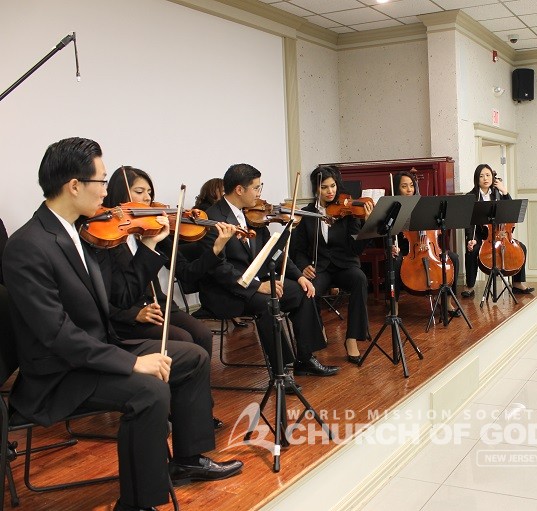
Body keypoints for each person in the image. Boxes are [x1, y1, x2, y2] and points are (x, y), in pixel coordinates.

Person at [1, 137, 242, 511]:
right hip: (61, 372)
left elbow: (121, 293)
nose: (105, 191)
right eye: (100, 181)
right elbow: (56, 334)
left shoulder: (82, 231)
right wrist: (132, 363)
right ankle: (137, 504)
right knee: (150, 392)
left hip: (99, 349)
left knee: (193, 356)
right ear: (74, 185)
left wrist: (150, 246)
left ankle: (187, 461)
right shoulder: (28, 246)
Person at [102, 166, 239, 429]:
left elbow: (187, 273)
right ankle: (175, 409)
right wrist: (133, 314)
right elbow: (104, 294)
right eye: (139, 191)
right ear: (120, 194)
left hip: (158, 304)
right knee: (183, 339)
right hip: (127, 315)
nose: (147, 199)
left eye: (149, 193)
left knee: (202, 334)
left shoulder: (153, 228)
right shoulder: (108, 237)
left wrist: (216, 248)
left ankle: (198, 408)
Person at [199, 163, 338, 377]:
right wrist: (257, 286)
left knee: (303, 291)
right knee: (268, 302)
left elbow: (274, 251)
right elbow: (219, 269)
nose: (259, 193)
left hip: (254, 285)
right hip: (226, 291)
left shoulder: (252, 215)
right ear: (239, 189)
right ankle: (281, 371)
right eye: (256, 188)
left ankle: (305, 358)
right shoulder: (212, 219)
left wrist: (299, 276)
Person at [291, 165, 373, 364]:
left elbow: (356, 249)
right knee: (308, 289)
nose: (330, 191)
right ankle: (318, 329)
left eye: (333, 186)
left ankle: (352, 338)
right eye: (324, 187)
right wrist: (303, 266)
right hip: (320, 267)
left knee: (360, 279)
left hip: (345, 265)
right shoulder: (307, 214)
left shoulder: (348, 211)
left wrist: (368, 225)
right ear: (316, 189)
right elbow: (298, 249)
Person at [391, 170, 460, 315]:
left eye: (411, 185)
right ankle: (394, 304)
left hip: (429, 246)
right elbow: (389, 234)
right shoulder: (394, 208)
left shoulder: (425, 205)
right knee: (395, 263)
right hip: (407, 250)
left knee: (453, 258)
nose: (409, 189)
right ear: (397, 189)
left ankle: (447, 301)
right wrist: (392, 246)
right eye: (404, 186)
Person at [462, 163, 534, 298]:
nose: (485, 178)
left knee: (521, 247)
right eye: (481, 176)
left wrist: (504, 191)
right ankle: (470, 285)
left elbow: (511, 211)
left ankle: (517, 283)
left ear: (492, 177)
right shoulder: (471, 196)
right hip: (481, 235)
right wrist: (470, 239)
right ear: (476, 179)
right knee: (472, 251)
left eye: (488, 175)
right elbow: (468, 223)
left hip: (500, 233)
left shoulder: (498, 194)